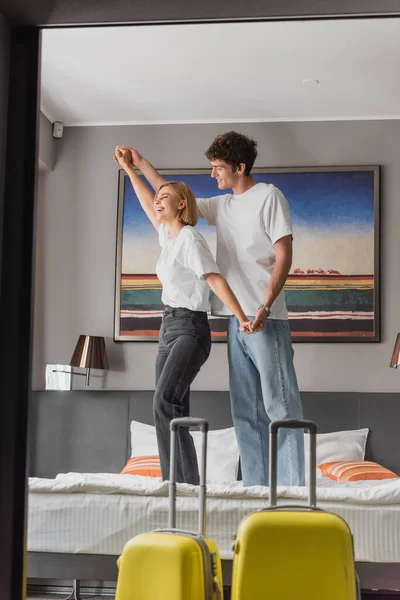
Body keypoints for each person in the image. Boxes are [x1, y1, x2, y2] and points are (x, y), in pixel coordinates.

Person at [118, 132, 305, 488]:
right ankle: (255, 493)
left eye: (218, 168)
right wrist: (140, 165)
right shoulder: (223, 206)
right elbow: (173, 198)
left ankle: (293, 494)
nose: (213, 174)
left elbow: (284, 256)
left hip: (265, 319)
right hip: (235, 323)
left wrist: (264, 306)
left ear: (240, 167)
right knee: (246, 414)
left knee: (280, 408)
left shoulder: (269, 197)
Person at [114, 146, 254, 486]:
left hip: (191, 328)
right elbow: (148, 201)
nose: (158, 201)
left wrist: (242, 317)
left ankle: (182, 486)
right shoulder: (168, 236)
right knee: (172, 408)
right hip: (168, 329)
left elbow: (215, 279)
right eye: (158, 197)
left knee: (164, 402)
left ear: (181, 205)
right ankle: (180, 484)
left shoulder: (190, 238)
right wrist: (130, 169)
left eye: (166, 197)